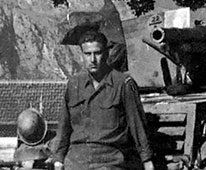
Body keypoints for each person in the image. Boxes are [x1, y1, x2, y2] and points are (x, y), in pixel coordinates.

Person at [53, 30, 154, 170]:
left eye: (97, 53)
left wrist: (147, 161)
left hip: (110, 161)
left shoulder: (123, 84)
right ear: (81, 56)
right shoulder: (74, 84)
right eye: (88, 54)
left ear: (106, 53)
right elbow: (64, 127)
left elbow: (138, 125)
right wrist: (58, 159)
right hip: (76, 162)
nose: (93, 59)